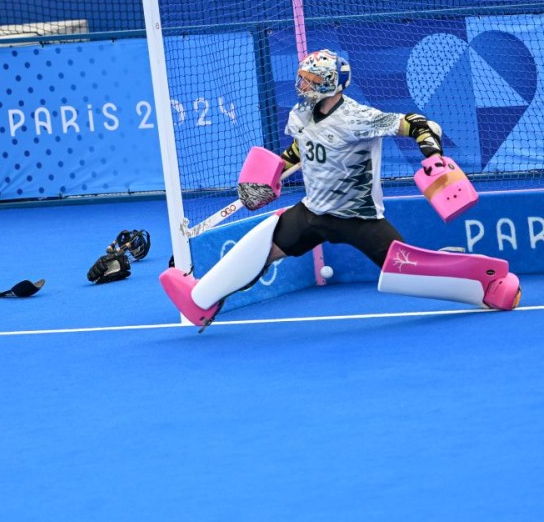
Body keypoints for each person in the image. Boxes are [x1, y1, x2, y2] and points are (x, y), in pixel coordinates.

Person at [160, 49, 522, 328]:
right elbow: (300, 150)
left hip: (358, 218)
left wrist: (434, 155)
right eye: (301, 78)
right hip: (313, 213)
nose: (301, 86)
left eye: (309, 80)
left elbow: (415, 123)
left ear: (329, 84)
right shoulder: (301, 114)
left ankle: (485, 287)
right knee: (262, 245)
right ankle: (202, 300)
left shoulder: (357, 118)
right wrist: (271, 175)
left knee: (404, 271)